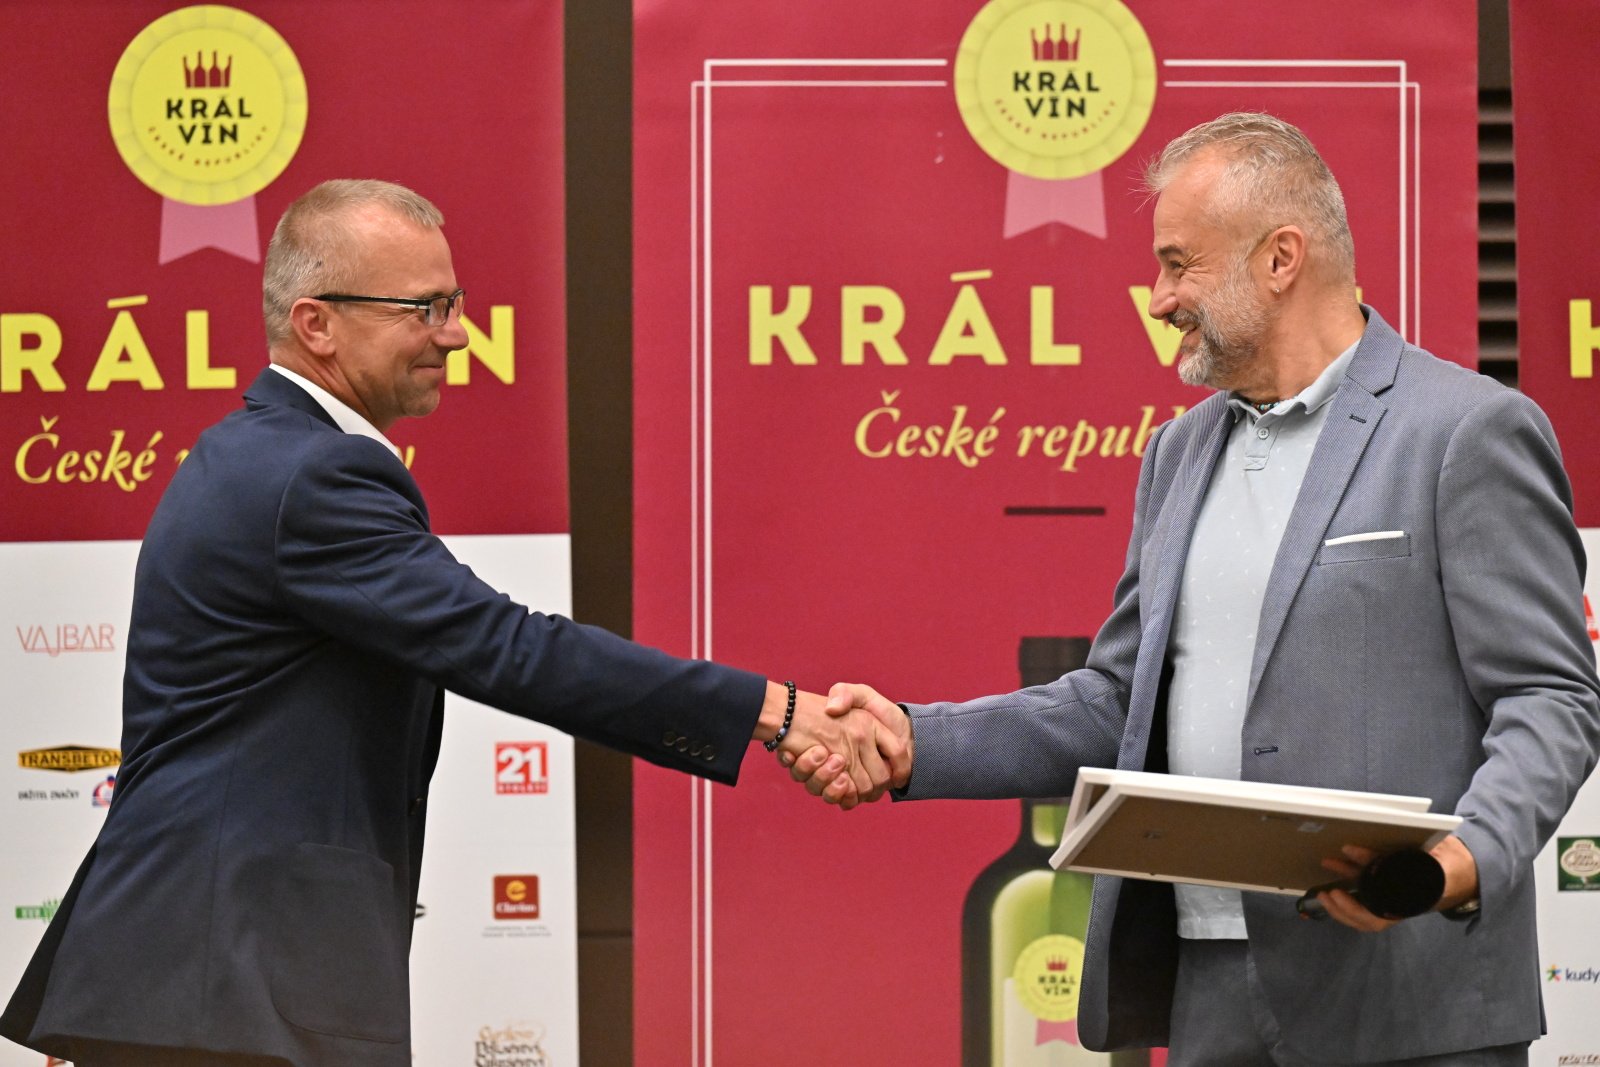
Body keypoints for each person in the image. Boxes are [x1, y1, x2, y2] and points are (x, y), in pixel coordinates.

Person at [0, 180, 906, 1067]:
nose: (456, 333)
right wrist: (776, 711)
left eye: (455, 302)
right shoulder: (313, 476)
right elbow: (507, 647)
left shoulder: (267, 455)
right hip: (223, 987)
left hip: (208, 983)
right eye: (424, 308)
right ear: (316, 324)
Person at [792, 113, 1600, 1065]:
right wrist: (912, 740)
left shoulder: (1468, 431)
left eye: (1179, 264)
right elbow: (1115, 704)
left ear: (1281, 258)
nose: (1159, 298)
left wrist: (1453, 866)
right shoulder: (1178, 451)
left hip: (1409, 992)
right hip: (1210, 987)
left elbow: (1551, 697)